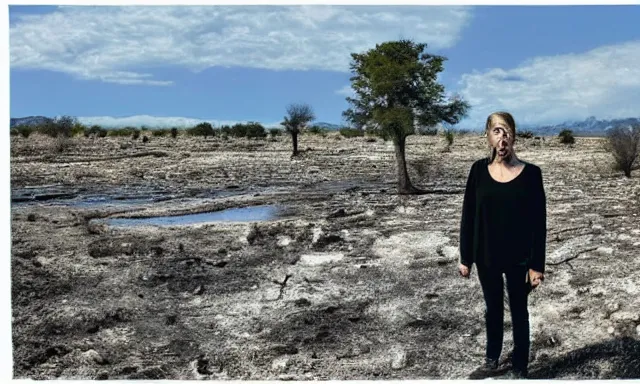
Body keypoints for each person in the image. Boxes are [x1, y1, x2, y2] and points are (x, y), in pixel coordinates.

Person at [458, 111, 547, 379]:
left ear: (515, 137)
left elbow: (538, 223)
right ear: (487, 136)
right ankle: (491, 360)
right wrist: (466, 257)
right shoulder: (478, 171)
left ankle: (520, 364)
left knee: (519, 311)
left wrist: (536, 265)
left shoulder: (531, 174)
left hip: (519, 257)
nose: (502, 137)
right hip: (486, 256)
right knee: (492, 310)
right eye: (497, 130)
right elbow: (468, 215)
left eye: (507, 131)